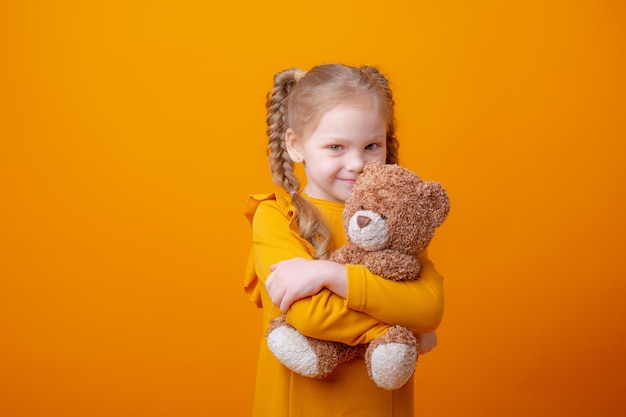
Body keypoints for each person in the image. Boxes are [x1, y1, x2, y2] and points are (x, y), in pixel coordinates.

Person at [243, 63, 444, 417]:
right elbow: (311, 317)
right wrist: (406, 330)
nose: (357, 163)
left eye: (371, 145)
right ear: (295, 145)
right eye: (336, 146)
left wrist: (332, 275)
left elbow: (429, 308)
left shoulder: (398, 220)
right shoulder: (276, 217)